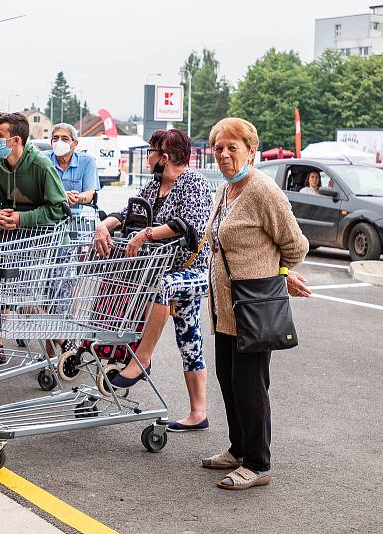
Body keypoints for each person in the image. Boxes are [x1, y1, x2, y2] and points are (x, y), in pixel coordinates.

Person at [202, 117, 310, 491]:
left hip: (253, 304)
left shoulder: (263, 191)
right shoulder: (225, 191)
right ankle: (238, 448)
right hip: (224, 305)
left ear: (251, 150)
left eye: (233, 147)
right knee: (228, 379)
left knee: (250, 384)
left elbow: (296, 245)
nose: (225, 154)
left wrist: (279, 271)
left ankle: (259, 462)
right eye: (219, 148)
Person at [93, 129, 214, 431]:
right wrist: (103, 227)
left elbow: (189, 227)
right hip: (163, 269)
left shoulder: (193, 183)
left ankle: (141, 360)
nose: (147, 157)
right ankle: (198, 413)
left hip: (193, 271)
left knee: (165, 287)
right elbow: (125, 212)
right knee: (189, 339)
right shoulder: (155, 185)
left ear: (166, 156)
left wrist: (146, 233)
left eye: (151, 151)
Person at [0, 112, 67, 363]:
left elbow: (58, 209)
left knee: (32, 300)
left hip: (47, 245)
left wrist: (20, 219)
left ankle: (61, 345)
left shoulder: (41, 166)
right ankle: (65, 344)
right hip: (13, 244)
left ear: (15, 140)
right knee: (15, 297)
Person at [44, 123, 99, 207]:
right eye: (55, 138)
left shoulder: (87, 161)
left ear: (75, 144)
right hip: (47, 214)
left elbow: (90, 193)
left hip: (74, 215)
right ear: (51, 143)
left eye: (65, 139)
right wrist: (61, 196)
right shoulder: (43, 159)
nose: (59, 142)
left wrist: (77, 197)